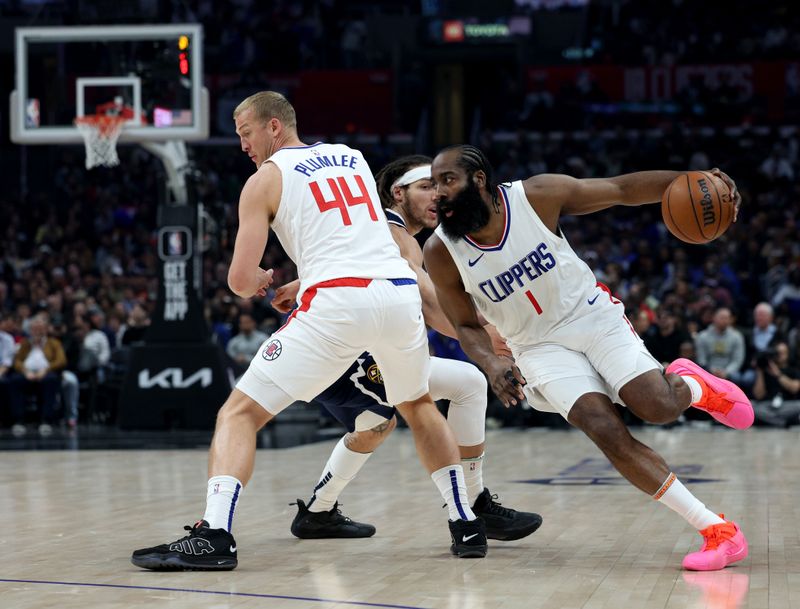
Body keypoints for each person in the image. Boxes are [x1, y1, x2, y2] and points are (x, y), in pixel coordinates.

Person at [132, 92, 487, 571]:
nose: (243, 145)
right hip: (397, 294)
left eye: (246, 133)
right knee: (419, 405)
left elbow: (239, 281)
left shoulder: (264, 180)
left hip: (337, 304)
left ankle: (215, 534)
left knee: (238, 414)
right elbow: (354, 240)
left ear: (274, 127)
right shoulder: (353, 158)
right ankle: (464, 523)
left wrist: (261, 281)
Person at [422, 144, 753, 572]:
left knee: (656, 407)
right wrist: (491, 362)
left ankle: (691, 385)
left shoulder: (536, 196)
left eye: (447, 181)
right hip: (536, 346)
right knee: (603, 429)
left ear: (478, 180)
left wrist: (691, 180)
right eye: (433, 184)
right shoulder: (441, 250)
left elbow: (619, 189)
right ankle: (716, 530)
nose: (437, 193)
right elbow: (466, 325)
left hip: (590, 316)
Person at [270, 156, 541, 542]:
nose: (439, 195)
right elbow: (431, 305)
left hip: (337, 349)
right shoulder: (391, 231)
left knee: (375, 425)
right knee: (458, 387)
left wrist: (301, 284)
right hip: (338, 350)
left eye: (441, 187)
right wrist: (488, 338)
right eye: (427, 187)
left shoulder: (377, 228)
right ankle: (471, 504)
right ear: (399, 193)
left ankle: (318, 511)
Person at [7, 314, 67, 435]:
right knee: (15, 380)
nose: (38, 331)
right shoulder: (25, 343)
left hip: (46, 373)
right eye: (35, 328)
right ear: (30, 330)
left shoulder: (53, 343)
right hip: (27, 374)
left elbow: (61, 360)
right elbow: (16, 360)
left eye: (40, 328)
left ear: (45, 329)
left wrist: (45, 370)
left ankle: (45, 420)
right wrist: (25, 371)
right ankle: (19, 420)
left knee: (50, 380)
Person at [694, 307, 746, 386]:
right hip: (708, 370)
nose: (724, 320)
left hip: (729, 371)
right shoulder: (702, 336)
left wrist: (726, 372)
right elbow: (701, 359)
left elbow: (737, 359)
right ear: (714, 318)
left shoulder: (737, 336)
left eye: (727, 318)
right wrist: (711, 370)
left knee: (737, 377)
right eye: (722, 318)